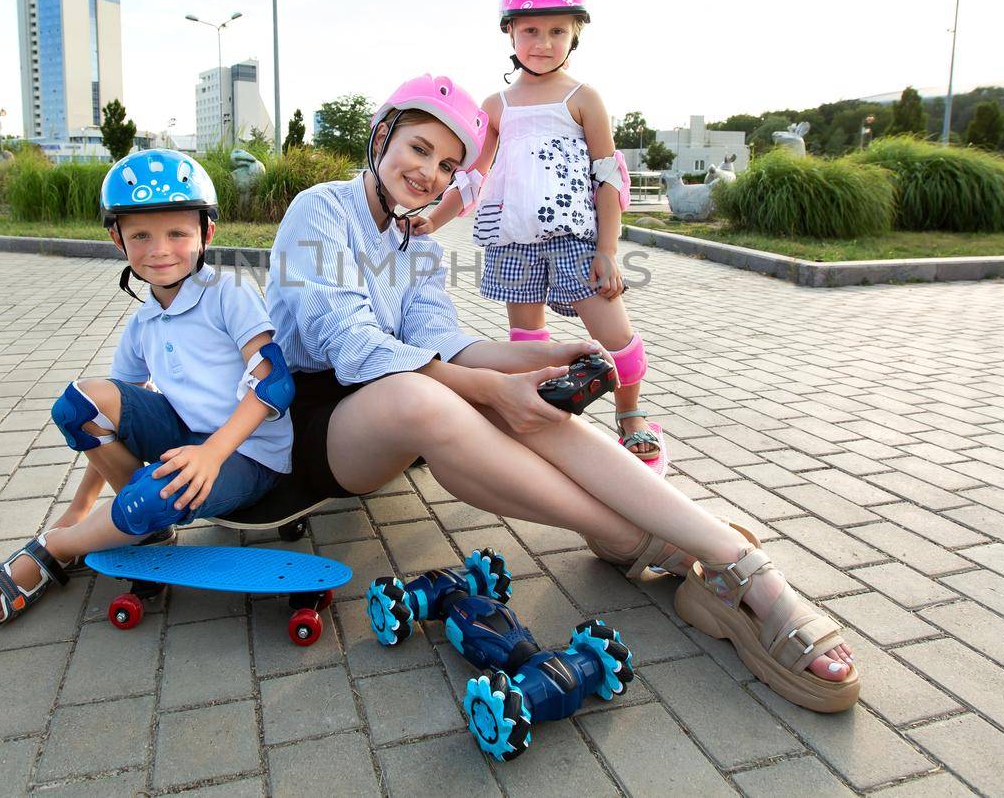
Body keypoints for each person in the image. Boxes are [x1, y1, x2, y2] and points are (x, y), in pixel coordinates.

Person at [268, 74, 858, 712]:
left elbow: (447, 344)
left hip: (399, 403)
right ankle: (640, 540)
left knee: (518, 403)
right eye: (417, 149)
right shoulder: (320, 210)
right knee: (434, 399)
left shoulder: (419, 244)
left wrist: (543, 357)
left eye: (447, 165)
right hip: (315, 425)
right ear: (382, 135)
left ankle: (730, 557)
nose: (430, 175)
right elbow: (355, 346)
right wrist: (491, 387)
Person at [0, 149, 296, 626]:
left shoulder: (228, 293)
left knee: (151, 495)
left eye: (177, 233)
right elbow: (105, 418)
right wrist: (80, 504)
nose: (159, 249)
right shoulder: (143, 321)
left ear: (206, 233)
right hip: (185, 441)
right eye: (140, 235)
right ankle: (128, 519)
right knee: (79, 403)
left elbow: (273, 383)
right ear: (117, 239)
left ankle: (54, 549)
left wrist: (210, 454)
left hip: (247, 455)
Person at [416, 0, 663, 471]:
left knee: (615, 335)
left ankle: (631, 414)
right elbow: (474, 177)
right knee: (530, 343)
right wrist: (433, 221)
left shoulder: (583, 98)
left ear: (575, 35)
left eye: (557, 31)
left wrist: (608, 250)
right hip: (514, 241)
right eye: (531, 30)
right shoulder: (497, 104)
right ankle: (550, 418)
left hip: (574, 240)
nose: (543, 42)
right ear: (510, 32)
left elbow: (608, 179)